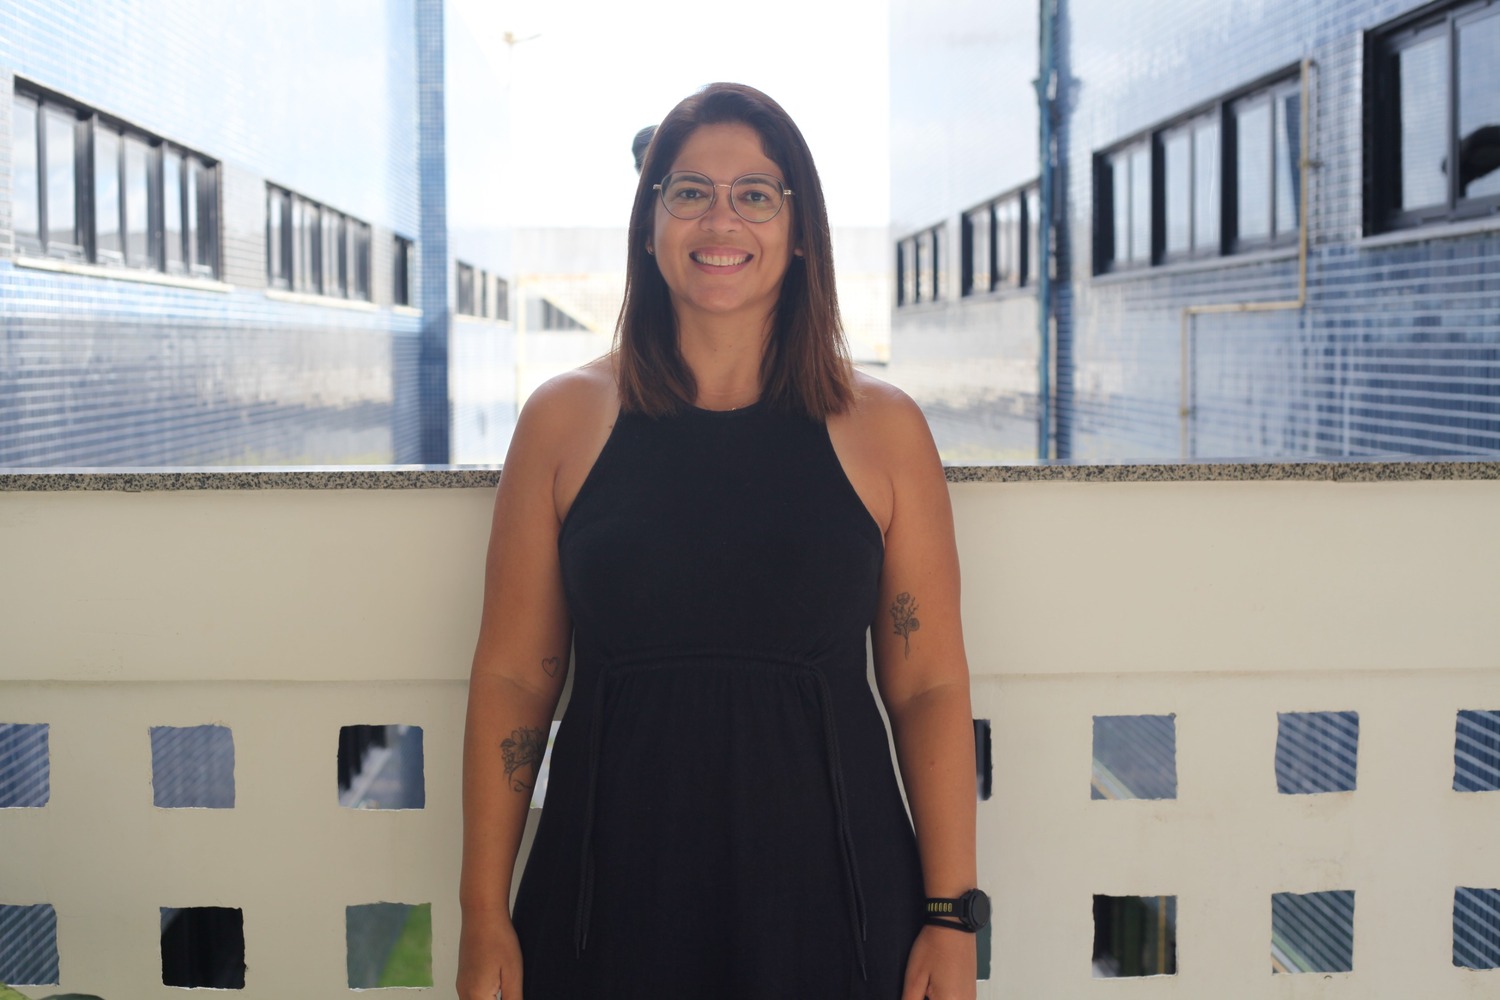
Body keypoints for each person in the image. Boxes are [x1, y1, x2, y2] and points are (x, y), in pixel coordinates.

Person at [457, 82, 982, 1000]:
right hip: (603, 901)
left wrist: (950, 917)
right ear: (649, 224)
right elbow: (514, 678)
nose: (720, 218)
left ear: (800, 227)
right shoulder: (564, 421)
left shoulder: (884, 429)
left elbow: (929, 684)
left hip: (838, 908)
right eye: (689, 190)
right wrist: (481, 911)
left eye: (755, 193)